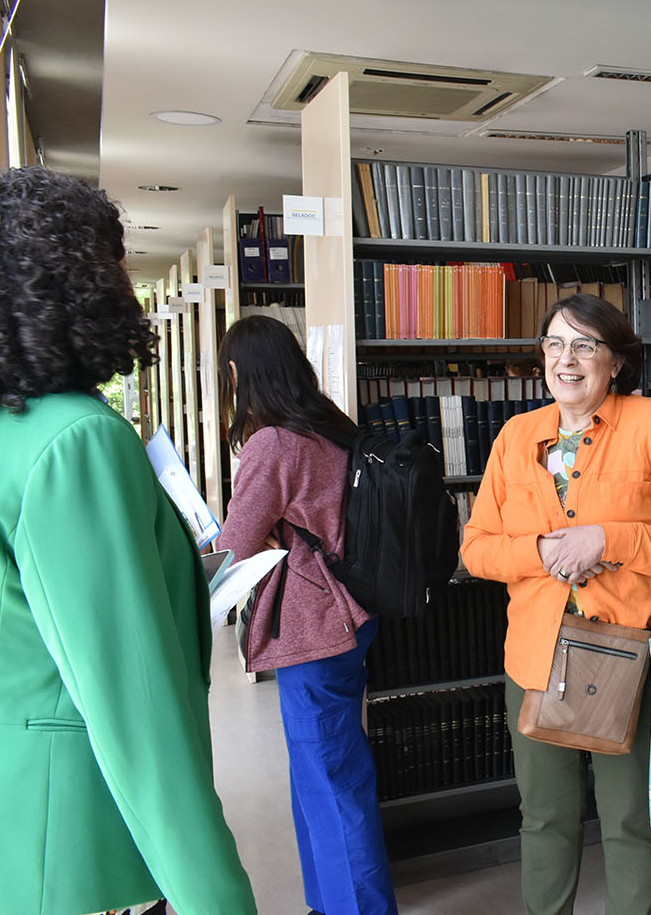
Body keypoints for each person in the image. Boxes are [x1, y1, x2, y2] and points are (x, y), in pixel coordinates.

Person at [0, 167, 256, 914]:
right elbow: (138, 718)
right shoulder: (77, 442)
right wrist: (217, 900)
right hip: (53, 851)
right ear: (73, 279)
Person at [461, 293, 651, 915]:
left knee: (631, 820)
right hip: (537, 659)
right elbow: (476, 550)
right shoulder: (516, 436)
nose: (566, 359)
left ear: (615, 362)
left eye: (584, 345)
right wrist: (542, 551)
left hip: (627, 658)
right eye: (554, 344)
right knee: (546, 818)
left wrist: (610, 538)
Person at [213, 314, 396, 915]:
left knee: (330, 780)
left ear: (239, 373)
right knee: (325, 775)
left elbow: (234, 546)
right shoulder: (331, 428)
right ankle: (329, 902)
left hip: (313, 628)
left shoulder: (272, 444)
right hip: (352, 616)